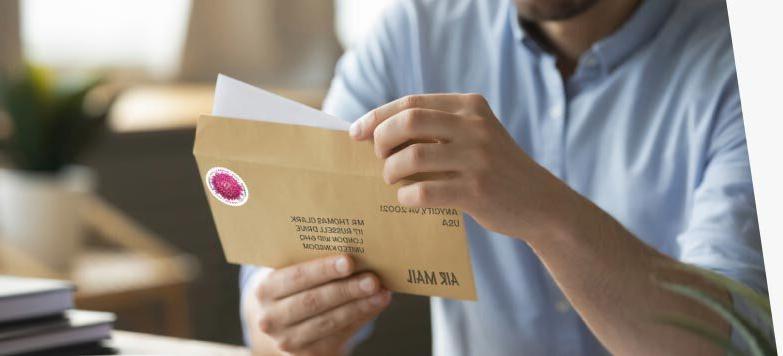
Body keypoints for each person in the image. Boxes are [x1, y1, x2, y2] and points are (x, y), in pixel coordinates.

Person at [239, 0, 767, 355]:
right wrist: (284, 318)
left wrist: (544, 210)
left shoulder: (752, 61)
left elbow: (736, 345)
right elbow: (277, 279)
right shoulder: (416, 30)